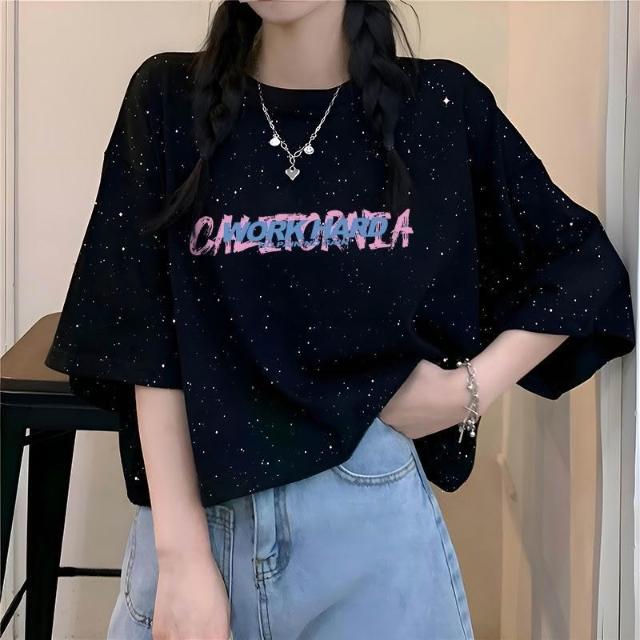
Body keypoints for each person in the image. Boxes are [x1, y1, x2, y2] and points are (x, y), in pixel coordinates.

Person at [44, 1, 636, 639]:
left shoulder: (439, 107)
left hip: (372, 535)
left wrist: (467, 390)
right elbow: (146, 340)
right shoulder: (166, 99)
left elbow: (585, 267)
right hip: (197, 532)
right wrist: (182, 556)